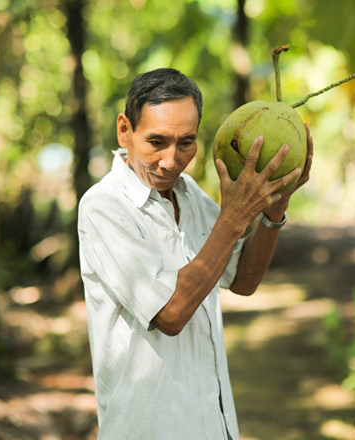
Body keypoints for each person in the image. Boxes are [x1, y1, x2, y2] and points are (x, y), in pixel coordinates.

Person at [77, 67, 313, 439]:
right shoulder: (104, 207)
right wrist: (234, 216)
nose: (171, 161)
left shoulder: (189, 196)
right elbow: (170, 313)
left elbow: (244, 280)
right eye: (157, 142)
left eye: (186, 143)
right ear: (124, 129)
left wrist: (274, 208)